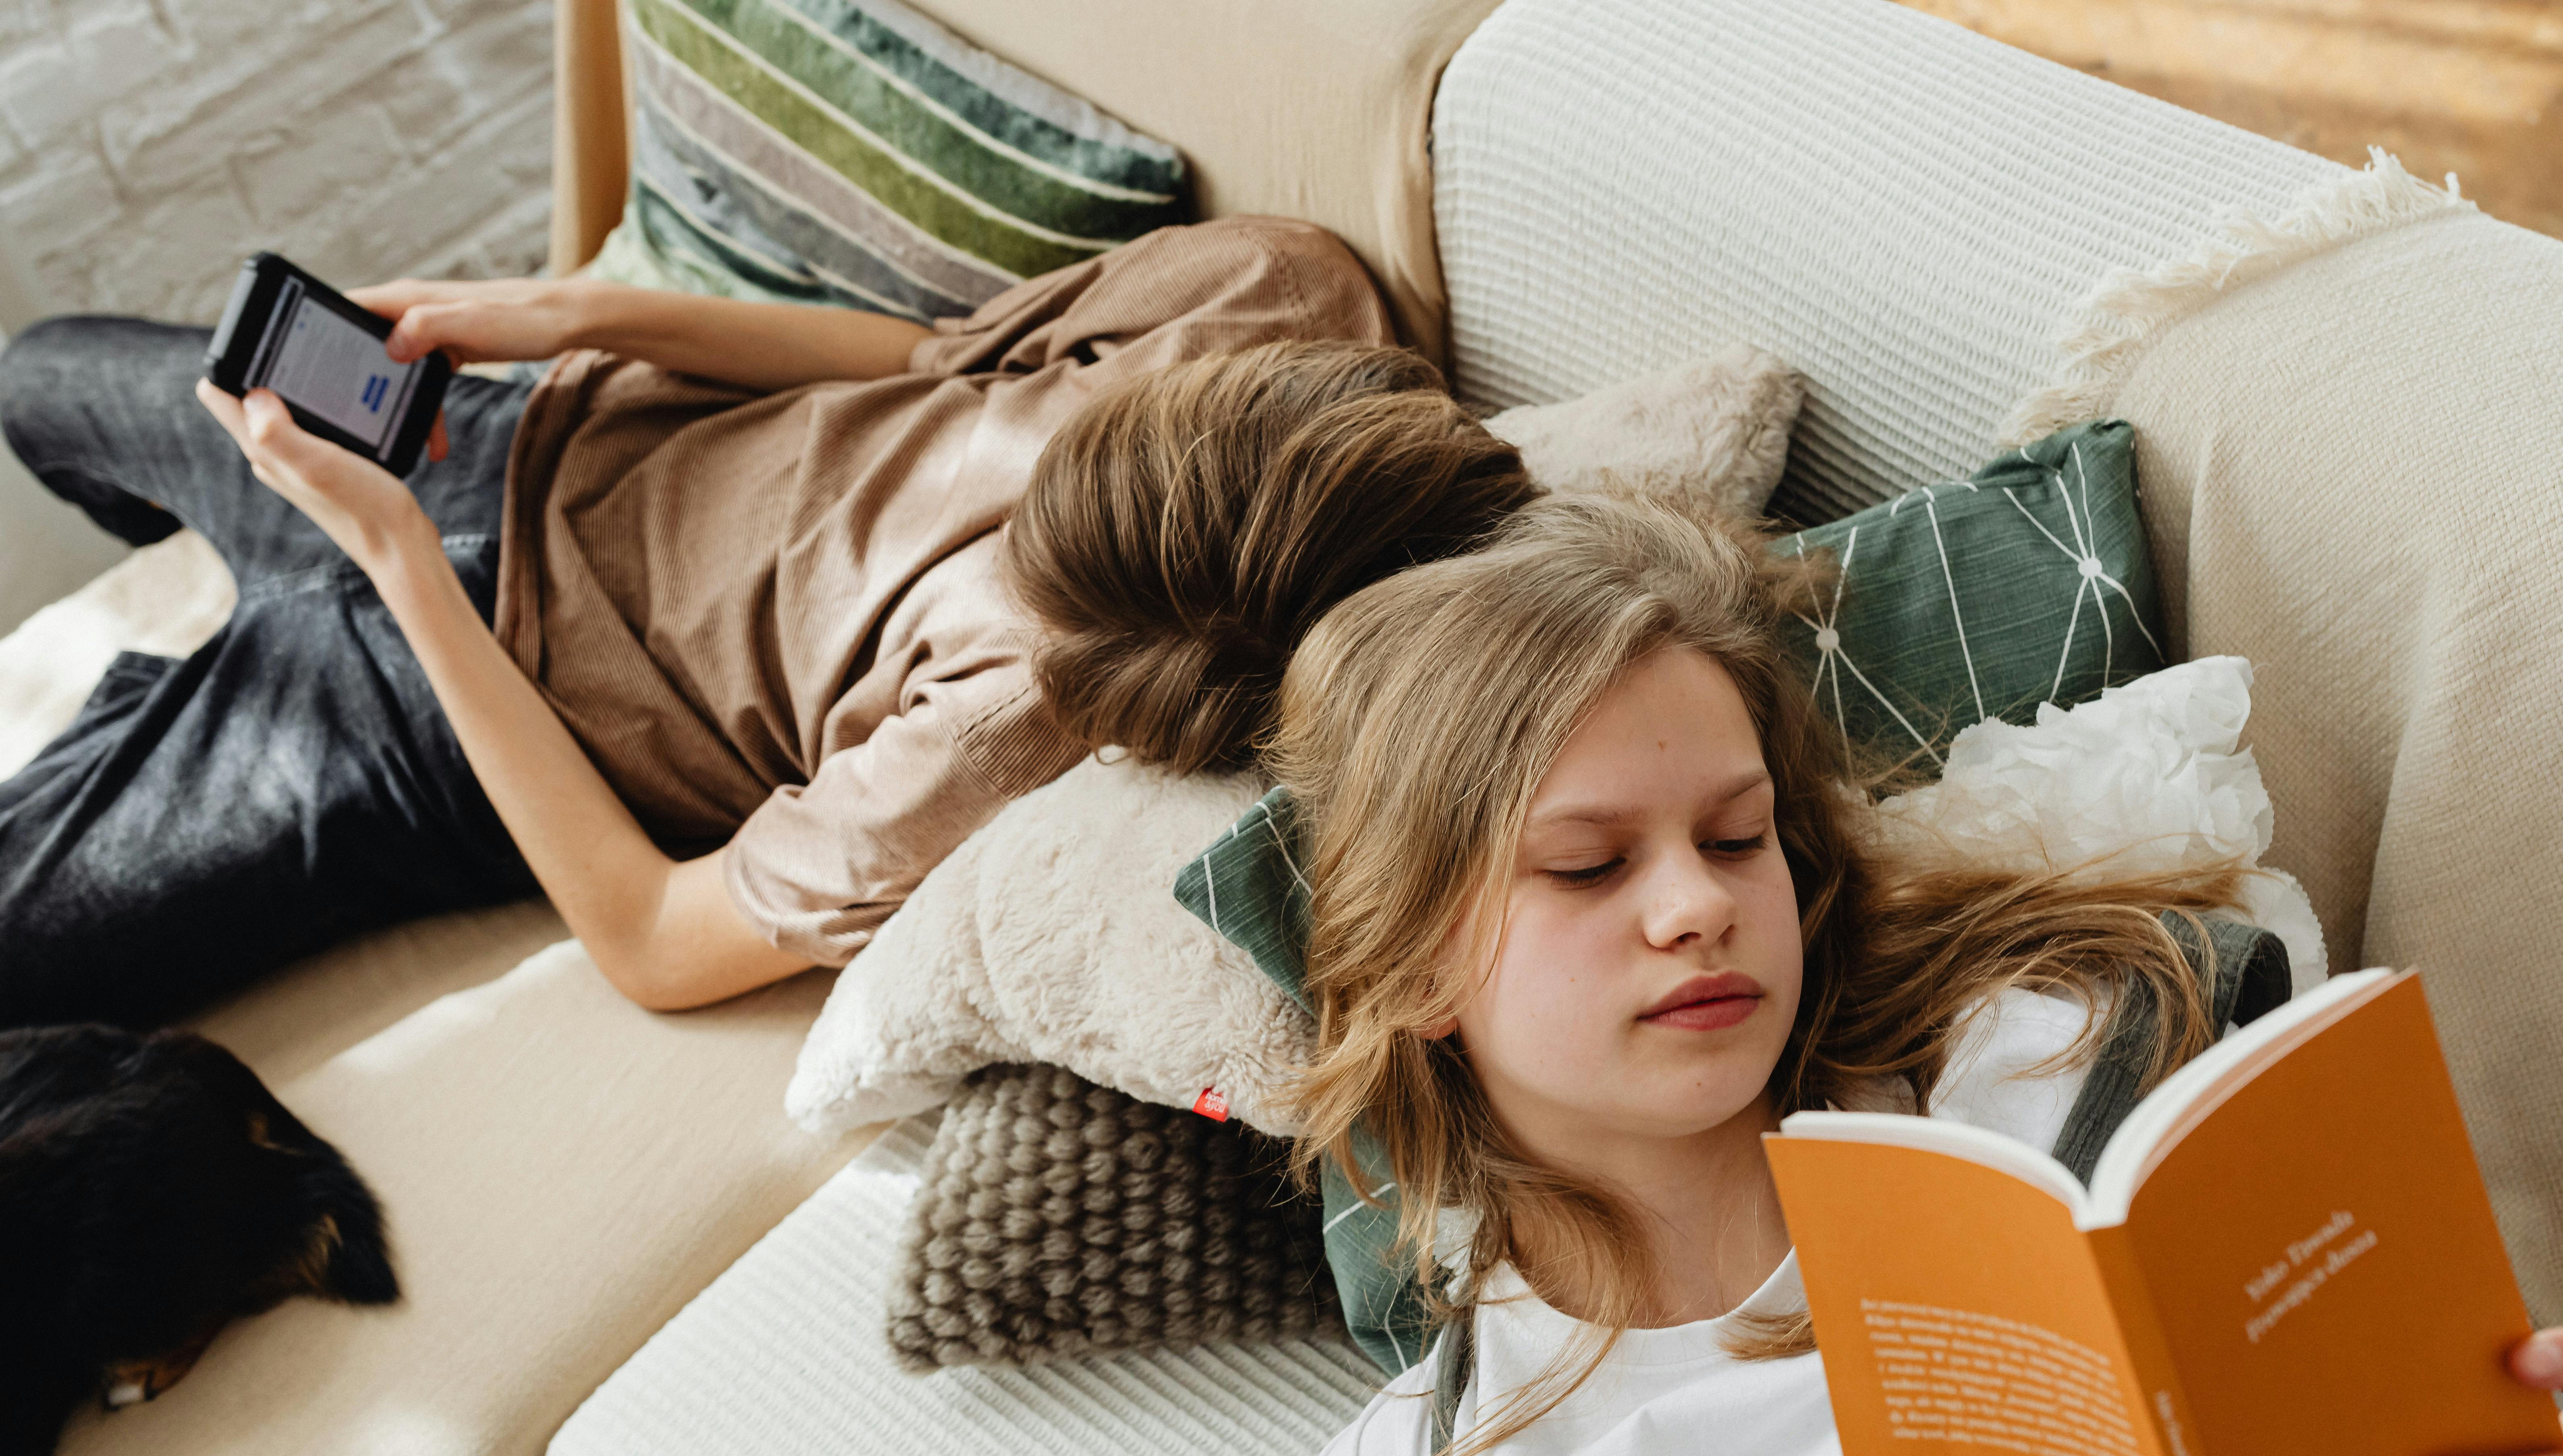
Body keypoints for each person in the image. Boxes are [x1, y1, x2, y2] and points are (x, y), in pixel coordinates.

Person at [1275, 490, 2563, 1456]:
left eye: (1737, 837)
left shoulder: (2059, 1055)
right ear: (1407, 965)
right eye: (1588, 865)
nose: (1696, 909)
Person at [0, 218, 1529, 1027]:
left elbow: (657, 944)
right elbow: (931, 358)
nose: (995, 518)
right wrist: (573, 313)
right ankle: (185, 667)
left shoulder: (1009, 722)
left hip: (449, 711)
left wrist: (397, 564)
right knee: (39, 374)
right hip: (522, 432)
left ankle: (201, 686)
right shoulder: (1276, 289)